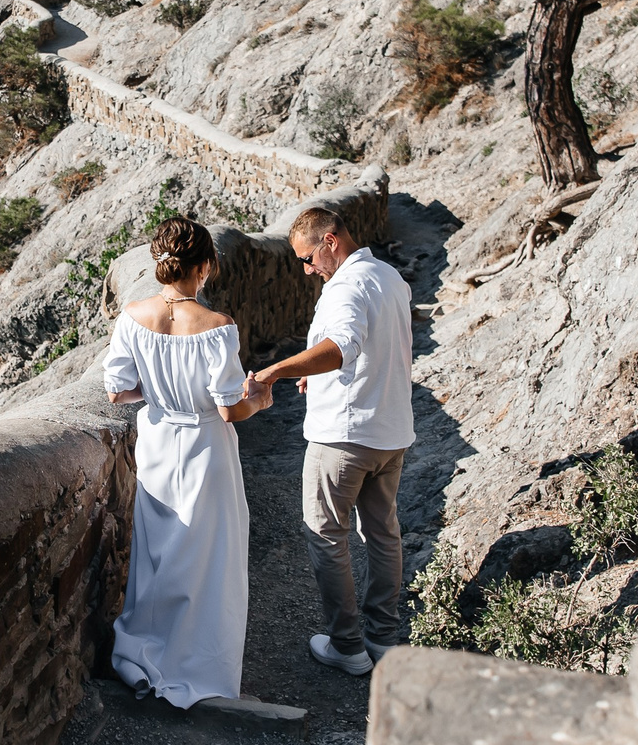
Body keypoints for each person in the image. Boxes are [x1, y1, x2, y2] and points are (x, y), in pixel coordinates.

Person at [99, 215, 273, 706]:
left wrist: (158, 393)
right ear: (205, 265)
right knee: (209, 561)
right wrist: (258, 400)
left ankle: (143, 656)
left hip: (156, 443)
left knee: (158, 557)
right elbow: (228, 407)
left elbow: (116, 392)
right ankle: (200, 670)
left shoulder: (132, 317)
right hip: (205, 449)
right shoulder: (218, 328)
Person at [248, 205, 413, 677]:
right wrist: (314, 377)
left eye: (307, 258)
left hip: (344, 436)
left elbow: (343, 346)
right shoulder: (389, 277)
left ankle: (347, 646)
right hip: (390, 430)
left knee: (326, 536)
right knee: (383, 535)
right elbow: (377, 345)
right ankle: (383, 638)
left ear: (330, 241)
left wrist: (279, 369)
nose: (306, 270)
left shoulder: (345, 287)